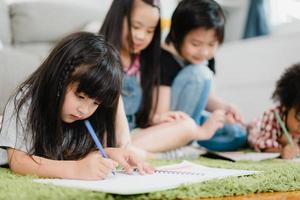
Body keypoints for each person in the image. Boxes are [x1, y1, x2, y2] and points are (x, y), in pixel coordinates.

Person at [0, 32, 152, 180]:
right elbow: (18, 162)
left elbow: (69, 155)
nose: (84, 110)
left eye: (96, 103)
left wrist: (108, 153)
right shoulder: (26, 100)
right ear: (58, 80)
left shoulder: (82, 117)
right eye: (80, 97)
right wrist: (75, 169)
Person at [100, 0, 226, 160]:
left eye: (150, 30)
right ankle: (152, 154)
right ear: (118, 18)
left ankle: (140, 152)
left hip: (135, 135)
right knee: (191, 128)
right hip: (107, 136)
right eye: (136, 26)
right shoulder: (100, 57)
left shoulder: (146, 60)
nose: (141, 36)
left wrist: (158, 118)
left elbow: (145, 116)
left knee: (187, 125)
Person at [158, 0, 247, 151]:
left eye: (212, 44)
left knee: (237, 133)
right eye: (195, 44)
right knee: (199, 73)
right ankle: (180, 139)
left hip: (196, 120)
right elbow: (161, 112)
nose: (204, 52)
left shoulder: (205, 58)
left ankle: (192, 140)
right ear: (177, 35)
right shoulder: (164, 57)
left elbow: (206, 99)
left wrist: (226, 108)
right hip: (170, 124)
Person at [248, 63, 300, 159]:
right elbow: (261, 144)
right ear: (286, 106)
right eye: (299, 118)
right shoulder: (272, 116)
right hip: (255, 127)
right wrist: (282, 150)